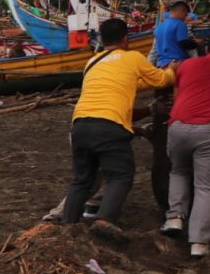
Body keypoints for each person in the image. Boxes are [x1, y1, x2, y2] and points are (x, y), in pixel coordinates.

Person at [58, 18, 176, 239]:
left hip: (80, 124)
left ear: (102, 40)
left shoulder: (91, 62)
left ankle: (68, 225)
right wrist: (172, 70)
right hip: (109, 125)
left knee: (81, 179)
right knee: (121, 174)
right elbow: (161, 80)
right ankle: (105, 219)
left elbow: (127, 82)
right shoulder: (132, 57)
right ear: (126, 39)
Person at [160, 51, 210, 257]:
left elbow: (177, 95)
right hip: (206, 128)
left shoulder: (187, 64)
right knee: (205, 186)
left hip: (178, 124)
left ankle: (174, 218)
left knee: (179, 172)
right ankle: (198, 241)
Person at [154, 0, 199, 67]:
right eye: (186, 14)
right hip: (177, 63)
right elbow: (184, 43)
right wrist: (197, 42)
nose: (185, 17)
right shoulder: (180, 24)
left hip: (162, 65)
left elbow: (154, 50)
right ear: (182, 11)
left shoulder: (159, 27)